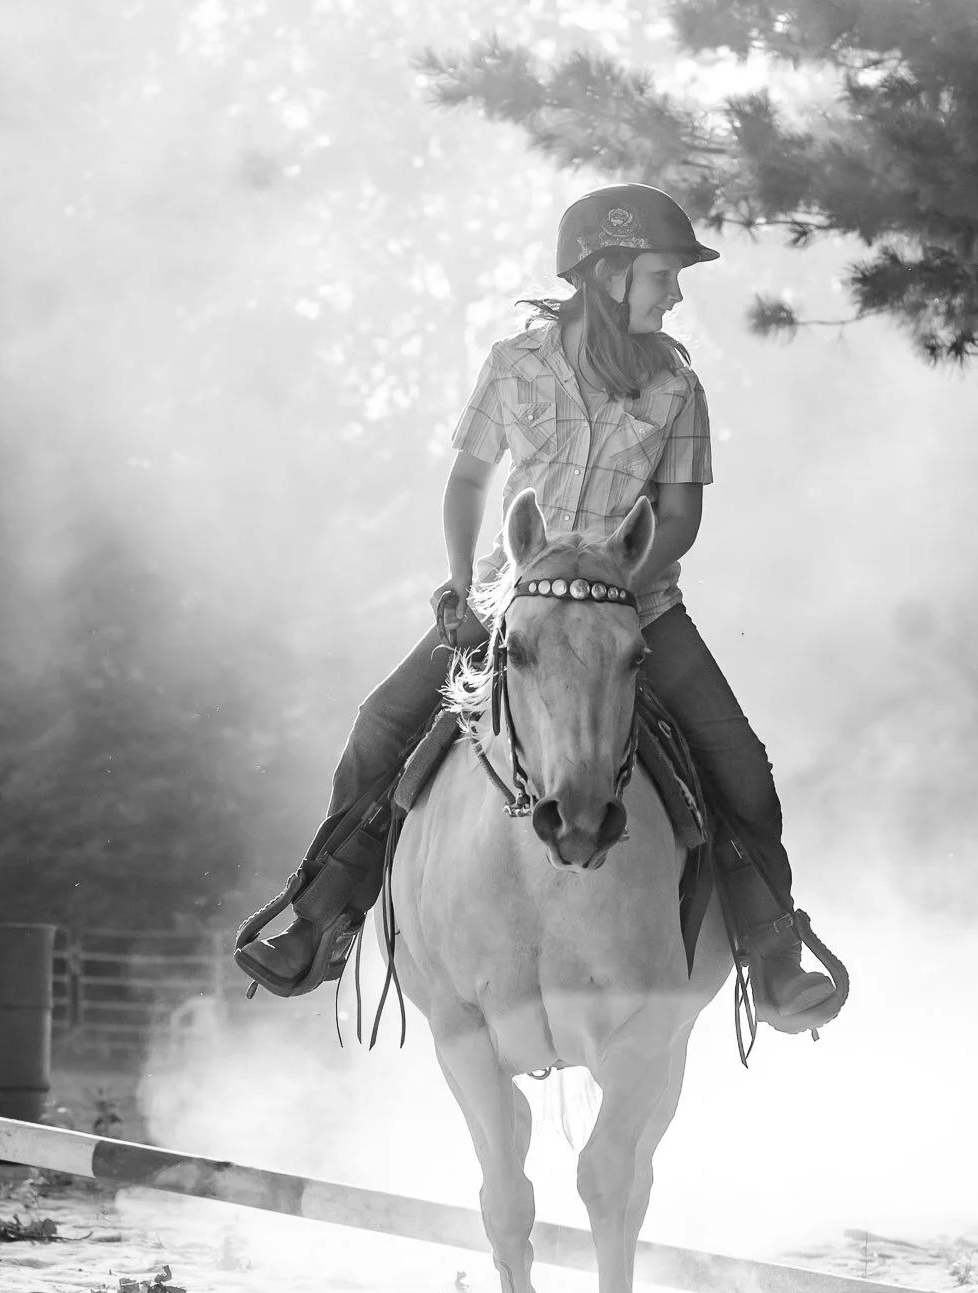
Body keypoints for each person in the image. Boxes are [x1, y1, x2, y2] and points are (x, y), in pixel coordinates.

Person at [235, 182, 840, 1032]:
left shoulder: (678, 388)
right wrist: (458, 584)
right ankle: (322, 920)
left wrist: (609, 592)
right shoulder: (514, 365)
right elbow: (469, 480)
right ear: (610, 272)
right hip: (509, 602)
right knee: (378, 729)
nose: (674, 293)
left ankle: (771, 957)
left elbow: (682, 520)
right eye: (664, 274)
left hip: (638, 605)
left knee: (741, 764)